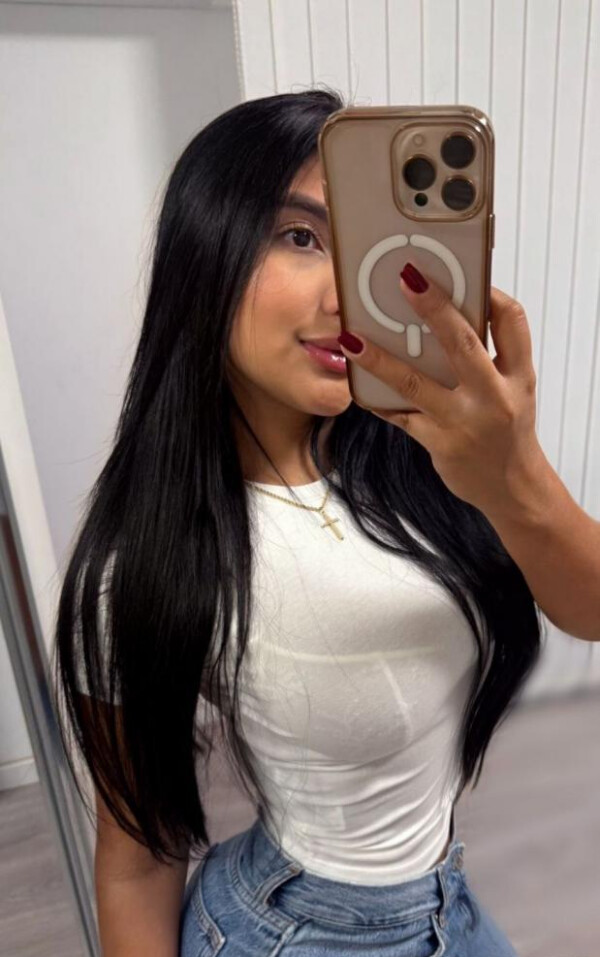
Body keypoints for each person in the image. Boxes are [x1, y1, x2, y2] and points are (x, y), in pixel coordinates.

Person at [53, 88, 538, 956]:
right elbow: (134, 866)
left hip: (448, 903)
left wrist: (515, 465)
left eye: (365, 247)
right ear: (207, 253)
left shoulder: (422, 465)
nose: (350, 292)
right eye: (303, 237)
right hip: (290, 931)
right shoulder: (143, 564)